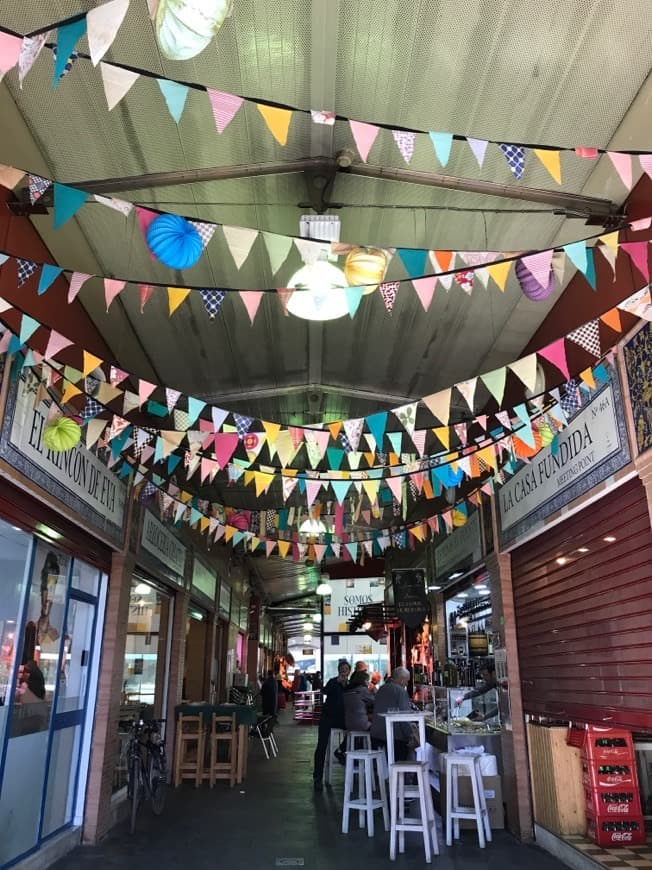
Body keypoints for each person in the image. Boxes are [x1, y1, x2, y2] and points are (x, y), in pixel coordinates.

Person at [312, 660, 351, 790]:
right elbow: (325, 691)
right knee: (321, 746)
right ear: (339, 670)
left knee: (354, 732)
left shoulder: (350, 685)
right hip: (327, 717)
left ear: (349, 671)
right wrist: (336, 682)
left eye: (346, 669)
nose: (344, 671)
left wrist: (346, 685)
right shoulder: (333, 681)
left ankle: (340, 750)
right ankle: (317, 777)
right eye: (342, 668)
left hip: (341, 719)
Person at [370, 667, 416, 761]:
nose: (407, 684)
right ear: (402, 680)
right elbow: (404, 717)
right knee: (411, 748)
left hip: (375, 735)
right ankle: (402, 774)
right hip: (393, 736)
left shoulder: (381, 689)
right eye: (407, 681)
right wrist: (411, 736)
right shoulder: (400, 691)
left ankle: (386, 774)